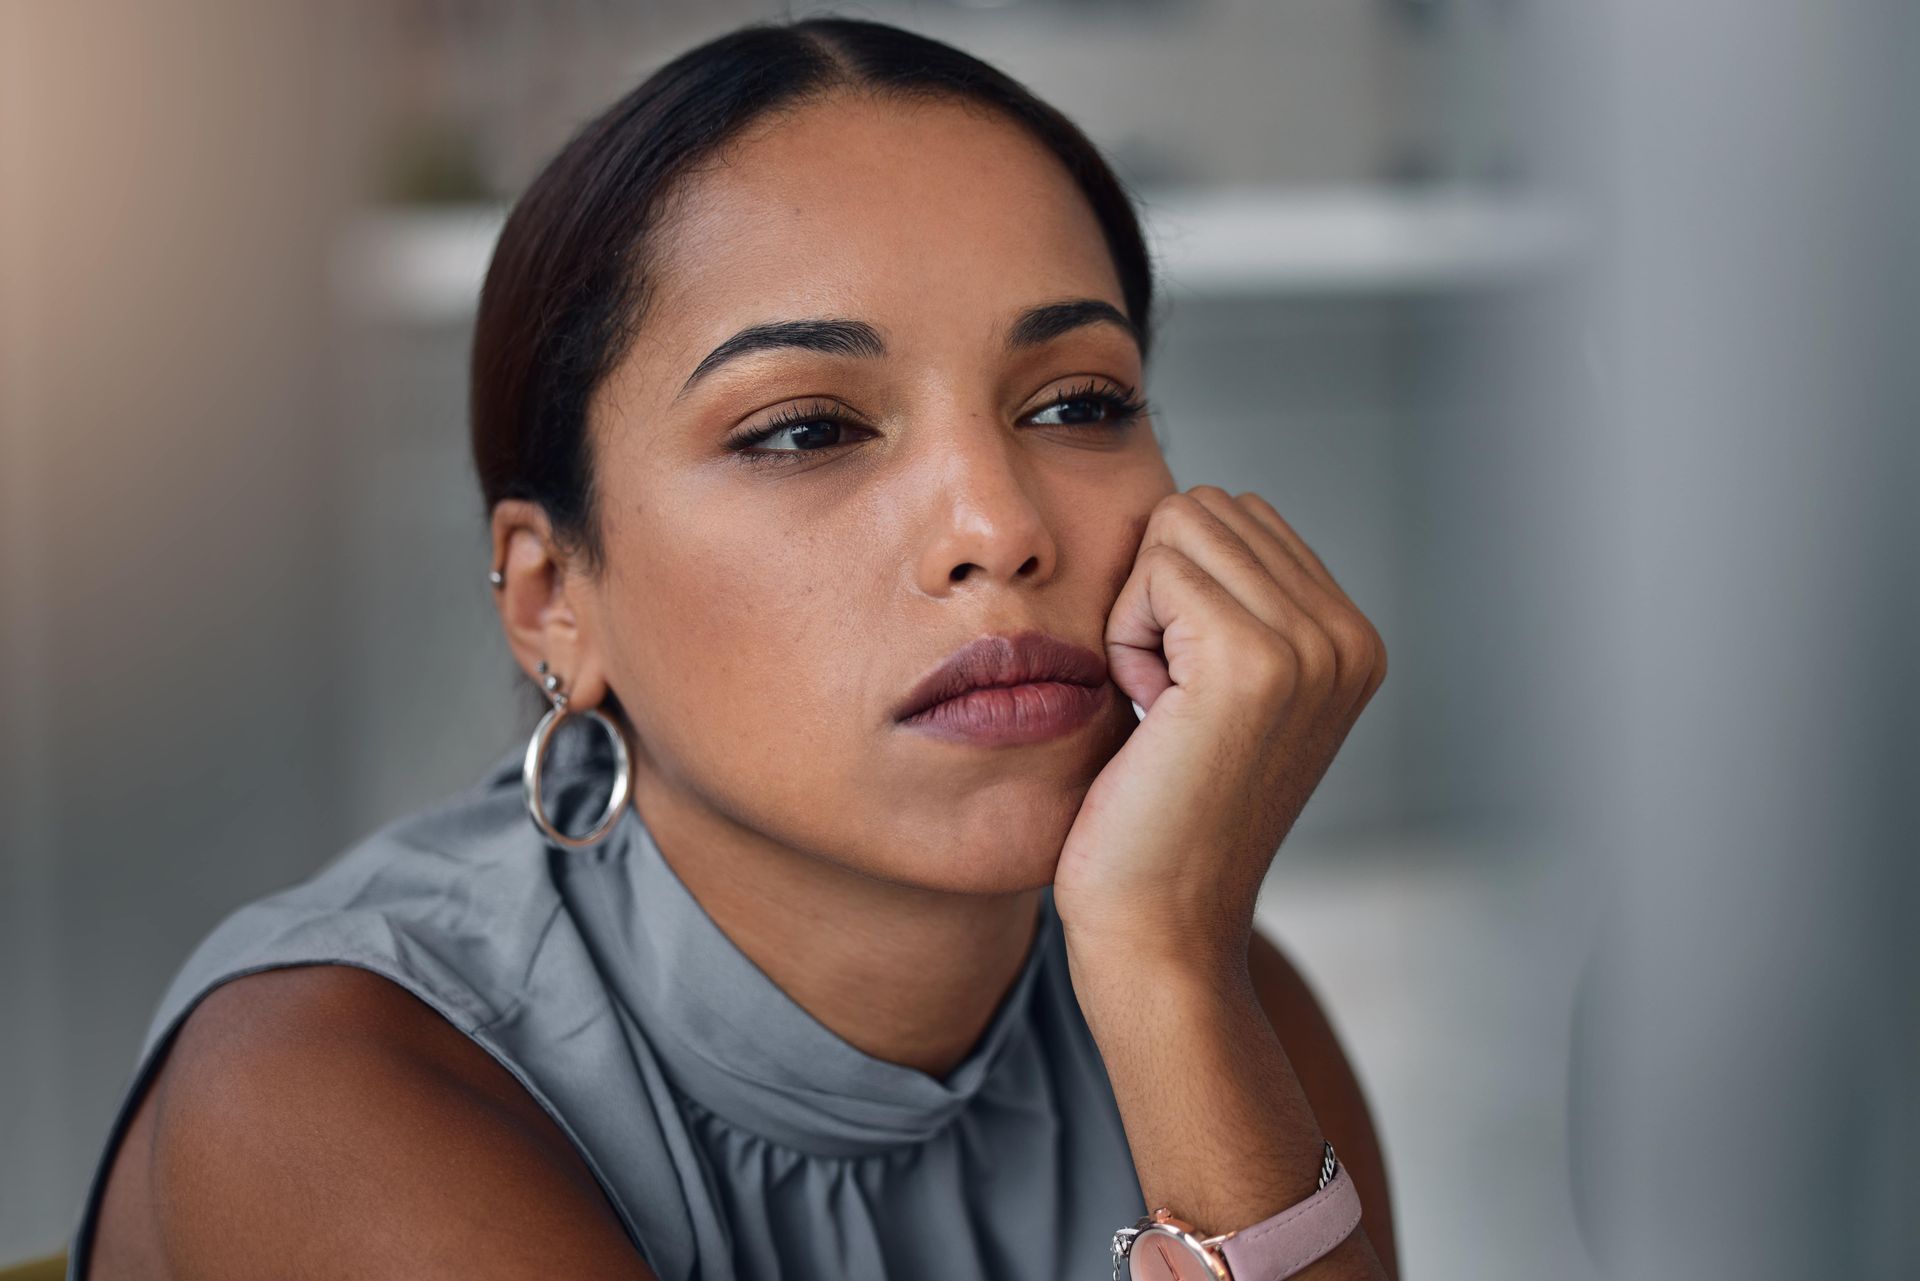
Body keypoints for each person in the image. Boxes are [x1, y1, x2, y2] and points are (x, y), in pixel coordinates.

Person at [71, 15, 1397, 1281]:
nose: (997, 526)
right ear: (550, 600)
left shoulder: (1190, 974)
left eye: (1077, 400)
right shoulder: (325, 1078)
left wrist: (1168, 959)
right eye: (806, 428)